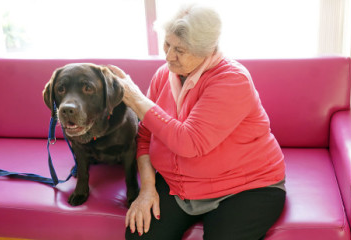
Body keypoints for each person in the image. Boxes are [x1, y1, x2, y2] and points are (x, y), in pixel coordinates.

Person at [109, 3, 286, 240]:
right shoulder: (164, 74)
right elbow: (145, 136)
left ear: (207, 49)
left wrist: (138, 100)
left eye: (180, 50)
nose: (169, 56)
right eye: (167, 44)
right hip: (178, 186)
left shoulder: (232, 80)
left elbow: (189, 143)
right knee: (140, 235)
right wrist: (148, 189)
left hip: (245, 187)